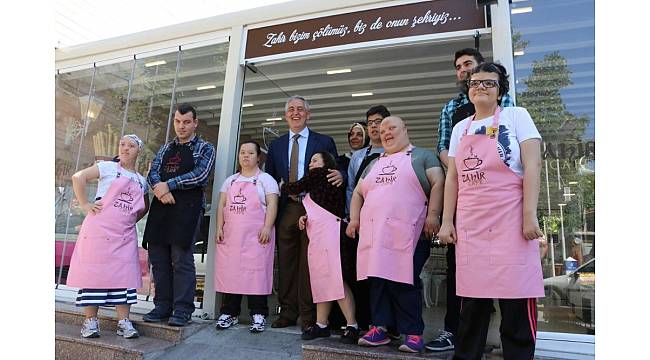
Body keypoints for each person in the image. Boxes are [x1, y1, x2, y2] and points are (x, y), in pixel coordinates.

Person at [438, 62, 544, 360]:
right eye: (474, 83)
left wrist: (529, 215)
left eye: (489, 83)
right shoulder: (462, 127)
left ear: (501, 90)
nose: (480, 87)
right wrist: (447, 221)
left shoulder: (516, 116)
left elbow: (533, 165)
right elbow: (454, 177)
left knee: (516, 306)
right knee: (471, 307)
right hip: (471, 226)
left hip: (511, 223)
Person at [427, 48, 516, 353]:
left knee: (507, 271)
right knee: (461, 271)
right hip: (467, 196)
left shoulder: (508, 108)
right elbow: (443, 147)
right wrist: (460, 166)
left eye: (468, 64)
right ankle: (454, 331)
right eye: (459, 67)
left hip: (503, 205)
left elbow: (515, 151)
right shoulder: (452, 109)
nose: (463, 70)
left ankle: (508, 338)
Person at [346, 116, 445, 353]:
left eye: (392, 128)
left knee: (405, 282)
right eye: (382, 130)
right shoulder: (373, 163)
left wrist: (433, 215)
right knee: (378, 282)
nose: (387, 133)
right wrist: (355, 219)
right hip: (374, 234)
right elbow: (358, 192)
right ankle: (379, 328)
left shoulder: (423, 156)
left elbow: (439, 182)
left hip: (409, 233)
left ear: (405, 130)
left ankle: (413, 333)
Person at [264, 95, 345, 332]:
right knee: (286, 263)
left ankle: (310, 317)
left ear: (308, 114)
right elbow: (269, 181)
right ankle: (287, 312)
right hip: (287, 208)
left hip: (316, 209)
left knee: (312, 264)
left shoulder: (324, 141)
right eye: (291, 109)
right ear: (286, 115)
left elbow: (337, 170)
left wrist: (342, 175)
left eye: (300, 109)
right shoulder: (277, 145)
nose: (295, 113)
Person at [66, 134, 149, 339]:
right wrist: (85, 204)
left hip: (124, 235)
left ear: (139, 151)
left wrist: (129, 219)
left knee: (125, 276)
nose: (125, 149)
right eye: (122, 145)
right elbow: (78, 177)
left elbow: (144, 207)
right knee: (94, 274)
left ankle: (124, 322)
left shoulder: (141, 180)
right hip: (98, 230)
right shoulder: (107, 167)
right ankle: (90, 322)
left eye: (131, 146)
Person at [142, 103, 216, 327]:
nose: (181, 126)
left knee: (181, 260)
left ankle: (182, 309)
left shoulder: (205, 148)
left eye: (186, 122)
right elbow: (152, 172)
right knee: (159, 259)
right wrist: (160, 190)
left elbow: (200, 175)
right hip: (161, 209)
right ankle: (162, 306)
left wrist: (168, 185)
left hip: (188, 208)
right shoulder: (165, 149)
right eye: (177, 121)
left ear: (195, 123)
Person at [282, 151, 359, 344]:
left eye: (315, 160)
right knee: (321, 279)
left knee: (335, 279)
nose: (311, 164)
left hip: (330, 234)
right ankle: (321, 324)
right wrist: (306, 217)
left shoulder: (320, 174)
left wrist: (283, 185)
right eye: (310, 161)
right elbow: (322, 206)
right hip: (320, 233)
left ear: (326, 163)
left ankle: (352, 325)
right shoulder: (322, 183)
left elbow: (295, 187)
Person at [214, 141, 279, 333]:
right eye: (242, 152)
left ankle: (258, 314)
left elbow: (272, 203)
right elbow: (221, 205)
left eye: (250, 153)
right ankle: (229, 312)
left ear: (258, 157)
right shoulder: (230, 181)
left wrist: (267, 226)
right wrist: (219, 227)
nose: (245, 156)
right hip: (231, 237)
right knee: (231, 273)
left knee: (256, 275)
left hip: (257, 238)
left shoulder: (266, 180)